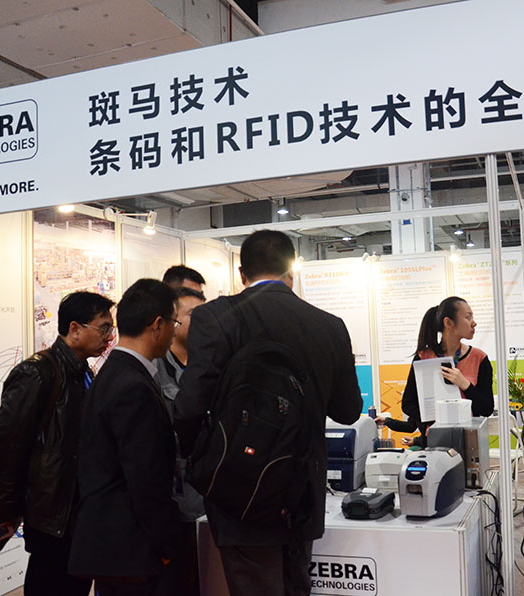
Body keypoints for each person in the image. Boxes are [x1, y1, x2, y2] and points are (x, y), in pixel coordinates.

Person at [174, 230, 362, 596]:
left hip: (238, 489)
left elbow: (190, 406)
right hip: (302, 489)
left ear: (241, 273)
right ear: (292, 270)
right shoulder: (329, 324)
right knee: (297, 586)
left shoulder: (216, 317)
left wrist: (203, 463)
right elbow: (348, 410)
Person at [0, 291, 115, 596]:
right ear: (75, 329)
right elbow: (6, 445)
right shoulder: (38, 372)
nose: (110, 337)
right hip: (51, 514)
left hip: (76, 512)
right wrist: (7, 507)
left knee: (75, 583)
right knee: (50, 582)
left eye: (111, 329)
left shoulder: (82, 371)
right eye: (103, 328)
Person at [69, 279, 183, 596]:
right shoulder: (133, 386)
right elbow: (145, 479)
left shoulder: (114, 373)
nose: (174, 332)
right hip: (131, 548)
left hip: (114, 545)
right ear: (157, 325)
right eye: (174, 323)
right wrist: (166, 544)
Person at [376, 296, 494, 446]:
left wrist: (465, 385)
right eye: (467, 317)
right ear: (448, 323)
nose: (474, 323)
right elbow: (408, 403)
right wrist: (433, 417)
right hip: (433, 440)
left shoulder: (479, 358)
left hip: (469, 441)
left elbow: (487, 409)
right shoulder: (423, 357)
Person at [154, 286, 206, 596]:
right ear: (173, 321)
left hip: (209, 495)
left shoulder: (209, 364)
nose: (202, 322)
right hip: (174, 498)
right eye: (193, 315)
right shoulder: (155, 368)